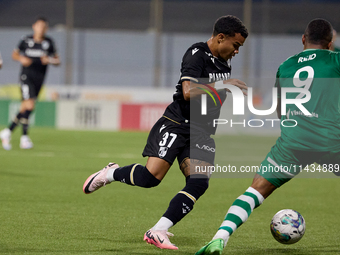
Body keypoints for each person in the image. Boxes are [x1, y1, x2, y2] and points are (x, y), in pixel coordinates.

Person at [83, 15, 248, 250]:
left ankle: (158, 230)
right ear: (221, 38)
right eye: (236, 45)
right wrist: (223, 86)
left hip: (201, 132)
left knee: (199, 182)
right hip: (178, 124)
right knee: (150, 179)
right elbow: (188, 91)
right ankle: (110, 174)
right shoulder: (196, 54)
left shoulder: (224, 61)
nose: (237, 51)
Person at [196, 18, 340, 255]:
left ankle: (219, 237)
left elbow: (281, 111)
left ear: (303, 39)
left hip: (293, 142)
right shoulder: (335, 60)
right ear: (331, 43)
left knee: (255, 190)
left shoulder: (285, 66)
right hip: (331, 140)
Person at [0, 17, 60, 150]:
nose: (41, 29)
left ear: (46, 29)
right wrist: (21, 58)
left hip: (39, 79)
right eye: (39, 26)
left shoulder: (49, 42)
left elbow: (57, 60)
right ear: (34, 26)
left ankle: (7, 132)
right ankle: (24, 138)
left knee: (24, 108)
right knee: (30, 105)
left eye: (44, 27)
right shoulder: (26, 40)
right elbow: (14, 55)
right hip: (25, 77)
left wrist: (49, 60)